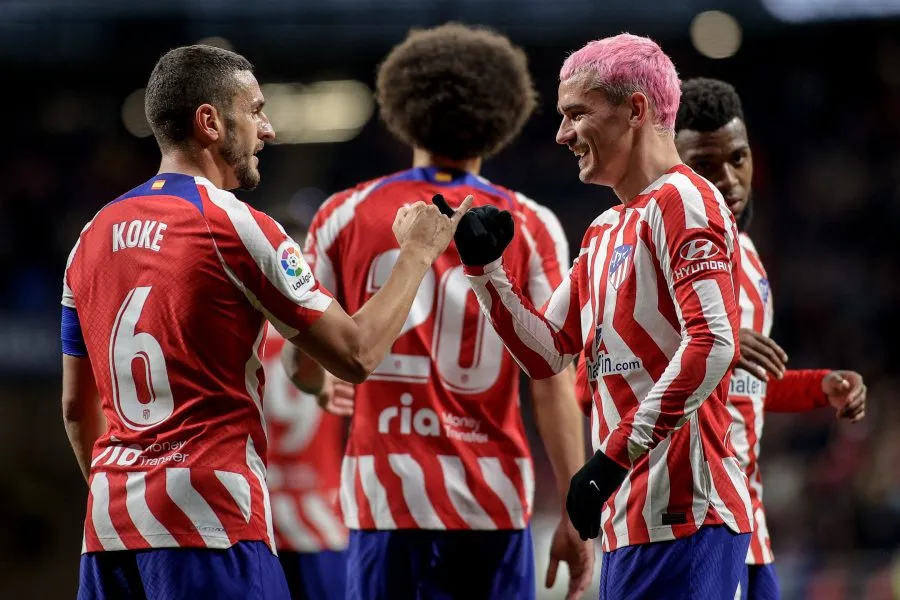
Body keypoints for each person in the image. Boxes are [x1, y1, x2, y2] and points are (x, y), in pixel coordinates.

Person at [60, 44, 467, 600]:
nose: (268, 130)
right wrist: (417, 253)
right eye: (255, 111)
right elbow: (356, 354)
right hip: (213, 526)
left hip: (109, 536)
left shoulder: (89, 238)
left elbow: (75, 409)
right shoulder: (235, 226)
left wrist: (130, 497)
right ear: (209, 122)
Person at [442, 33, 754, 598]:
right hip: (630, 517)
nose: (562, 134)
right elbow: (546, 352)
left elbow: (713, 342)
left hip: (686, 513)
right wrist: (485, 269)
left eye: (576, 114)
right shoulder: (606, 229)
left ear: (636, 109)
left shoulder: (685, 199)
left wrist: (609, 460)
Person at [295, 23, 593, 600]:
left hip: (384, 501)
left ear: (401, 106)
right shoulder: (532, 223)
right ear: (502, 115)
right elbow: (552, 378)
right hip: (493, 500)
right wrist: (574, 509)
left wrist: (318, 380)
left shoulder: (341, 214)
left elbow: (303, 355)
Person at [674, 77, 867, 600]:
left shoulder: (752, 260)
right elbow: (591, 384)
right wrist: (710, 344)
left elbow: (746, 385)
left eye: (738, 158)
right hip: (689, 521)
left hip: (749, 522)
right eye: (704, 166)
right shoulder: (651, 255)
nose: (730, 180)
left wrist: (817, 387)